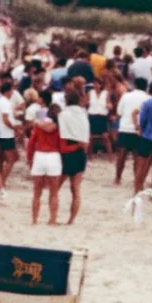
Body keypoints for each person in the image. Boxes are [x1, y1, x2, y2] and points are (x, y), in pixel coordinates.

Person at [26, 105, 63, 225]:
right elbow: (62, 144)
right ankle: (52, 219)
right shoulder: (60, 127)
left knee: (37, 193)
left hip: (40, 155)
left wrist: (29, 158)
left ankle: (34, 219)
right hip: (54, 156)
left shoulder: (39, 125)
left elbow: (31, 143)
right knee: (54, 193)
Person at [58, 89, 89, 224]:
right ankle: (71, 220)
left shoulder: (63, 114)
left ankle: (53, 216)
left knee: (56, 187)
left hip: (67, 150)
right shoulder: (83, 114)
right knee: (75, 189)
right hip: (80, 150)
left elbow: (61, 133)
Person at [0, 80, 19, 184]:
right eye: (12, 90)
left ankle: (0, 177)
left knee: (10, 157)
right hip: (6, 133)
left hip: (1, 132)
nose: (13, 92)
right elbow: (5, 119)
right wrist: (14, 128)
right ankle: (1, 181)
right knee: (11, 159)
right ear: (8, 91)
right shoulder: (5, 103)